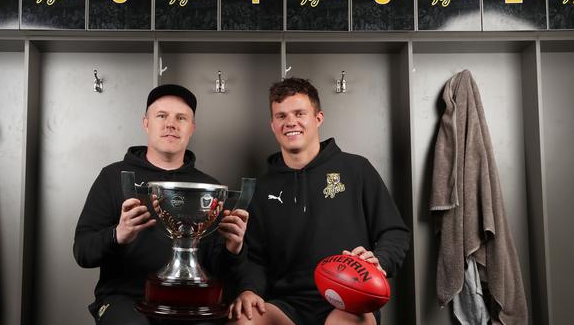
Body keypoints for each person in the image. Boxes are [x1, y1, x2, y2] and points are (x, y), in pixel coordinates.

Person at [228, 78, 410, 325]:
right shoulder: (261, 188)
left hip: (349, 298)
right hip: (286, 304)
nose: (290, 122)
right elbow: (256, 259)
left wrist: (380, 262)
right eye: (281, 116)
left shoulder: (357, 169)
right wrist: (249, 289)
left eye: (299, 113)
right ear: (272, 125)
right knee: (244, 319)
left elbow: (394, 232)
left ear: (318, 118)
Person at [73, 84, 249, 325]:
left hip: (192, 301)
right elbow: (83, 252)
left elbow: (220, 270)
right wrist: (118, 234)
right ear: (146, 123)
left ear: (191, 128)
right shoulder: (112, 177)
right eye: (161, 116)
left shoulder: (210, 189)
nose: (171, 124)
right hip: (123, 300)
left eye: (181, 118)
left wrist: (233, 249)